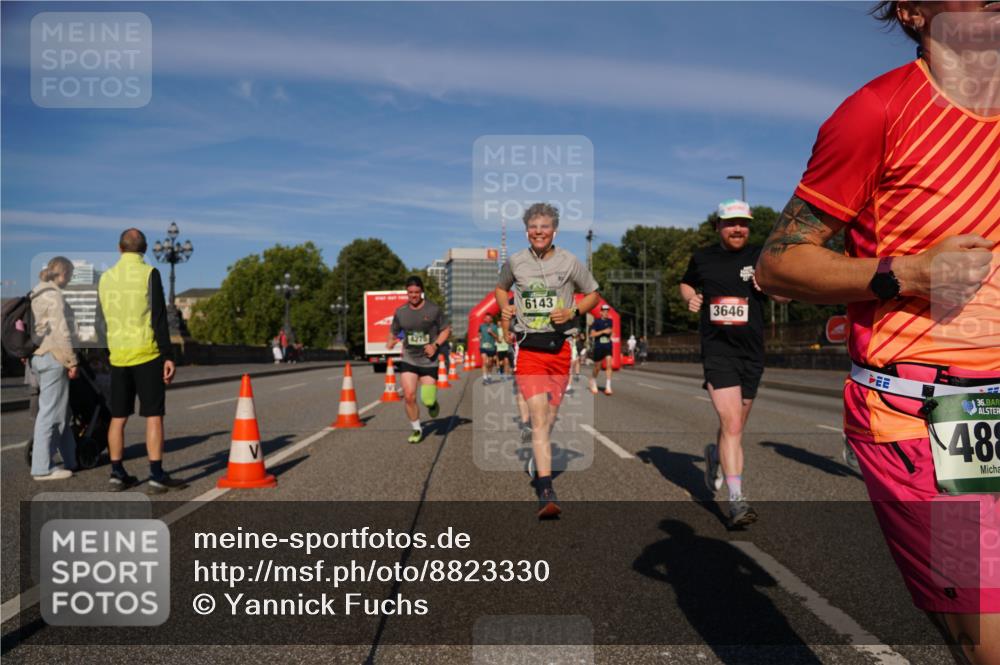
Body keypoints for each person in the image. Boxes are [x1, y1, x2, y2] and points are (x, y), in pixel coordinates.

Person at [756, 3, 998, 660]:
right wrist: (911, 273)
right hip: (927, 413)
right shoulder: (878, 111)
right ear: (914, 11)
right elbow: (778, 263)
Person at [681, 199, 790, 527]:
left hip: (751, 354)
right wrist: (691, 298)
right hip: (718, 352)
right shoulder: (703, 258)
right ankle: (737, 500)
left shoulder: (761, 257)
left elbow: (787, 295)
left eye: (743, 223)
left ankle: (715, 455)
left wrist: (771, 287)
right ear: (718, 227)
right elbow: (686, 282)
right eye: (731, 223)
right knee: (731, 425)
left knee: (735, 427)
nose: (738, 228)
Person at [496, 202, 600, 518]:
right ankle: (545, 490)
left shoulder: (570, 261)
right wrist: (506, 309)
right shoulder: (515, 262)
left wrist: (573, 311)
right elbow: (501, 289)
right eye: (533, 227)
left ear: (554, 230)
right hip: (529, 349)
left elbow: (594, 293)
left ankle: (535, 460)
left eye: (544, 227)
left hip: (560, 349)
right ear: (526, 231)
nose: (538, 232)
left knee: (549, 420)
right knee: (539, 419)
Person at [96, 229, 187, 493]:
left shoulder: (106, 278)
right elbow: (159, 319)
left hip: (118, 355)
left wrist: (104, 353)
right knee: (154, 416)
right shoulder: (150, 274)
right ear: (145, 249)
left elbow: (98, 321)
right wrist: (168, 356)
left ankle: (116, 472)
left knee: (118, 417)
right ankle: (156, 474)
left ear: (119, 248)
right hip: (147, 353)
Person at [28, 257, 80, 480]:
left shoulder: (37, 292)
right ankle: (42, 468)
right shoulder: (54, 295)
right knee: (50, 414)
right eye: (70, 275)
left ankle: (71, 459)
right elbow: (62, 332)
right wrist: (72, 361)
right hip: (54, 357)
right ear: (64, 273)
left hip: (39, 357)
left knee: (61, 412)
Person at [386, 276, 450, 444]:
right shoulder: (401, 312)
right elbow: (394, 331)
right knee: (409, 395)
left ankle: (432, 404)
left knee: (427, 400)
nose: (413, 295)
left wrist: (435, 345)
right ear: (406, 292)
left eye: (416, 292)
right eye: (410, 292)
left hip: (429, 360)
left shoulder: (433, 310)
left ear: (421, 292)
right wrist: (391, 341)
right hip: (409, 358)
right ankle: (416, 429)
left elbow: (445, 330)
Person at [589, 304, 615, 395]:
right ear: (600, 312)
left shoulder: (610, 321)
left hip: (608, 346)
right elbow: (592, 335)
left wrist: (611, 334)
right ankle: (593, 380)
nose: (606, 313)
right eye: (604, 311)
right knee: (597, 367)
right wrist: (603, 331)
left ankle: (608, 387)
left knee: (609, 365)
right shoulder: (596, 322)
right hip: (598, 346)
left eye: (607, 311)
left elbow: (611, 332)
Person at [479, 313, 498, 384]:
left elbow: (498, 338)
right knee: (484, 361)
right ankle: (485, 378)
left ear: (491, 319)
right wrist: (479, 336)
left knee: (490, 363)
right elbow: (479, 333)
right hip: (483, 347)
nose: (486, 319)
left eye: (487, 318)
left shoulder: (495, 327)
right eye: (485, 318)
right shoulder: (481, 326)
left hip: (492, 348)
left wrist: (492, 333)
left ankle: (489, 376)